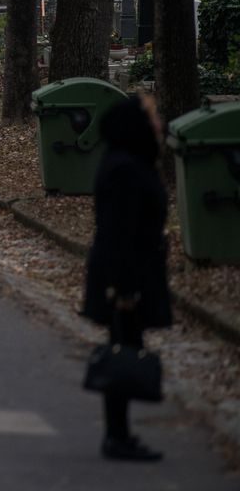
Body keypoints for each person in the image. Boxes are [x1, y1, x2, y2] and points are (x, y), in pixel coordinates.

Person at [83, 95, 172, 462]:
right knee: (123, 348)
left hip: (129, 273)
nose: (159, 124)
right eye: (153, 118)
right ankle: (117, 435)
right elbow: (118, 232)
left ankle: (119, 433)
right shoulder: (125, 168)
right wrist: (123, 288)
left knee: (126, 346)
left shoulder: (129, 160)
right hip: (123, 277)